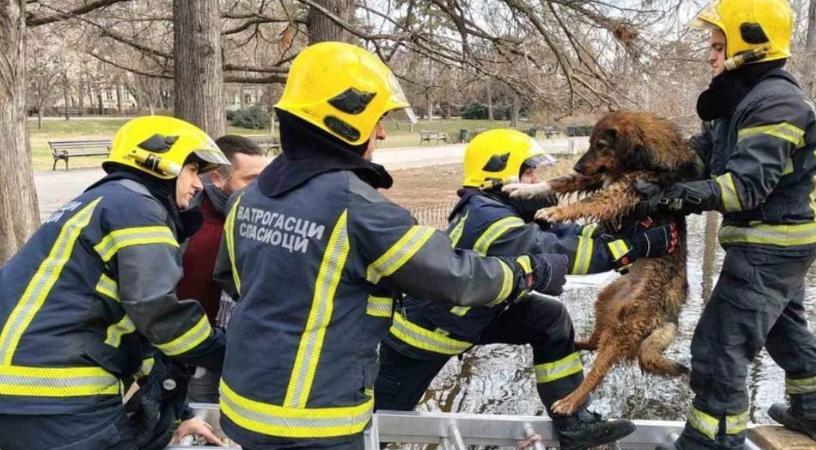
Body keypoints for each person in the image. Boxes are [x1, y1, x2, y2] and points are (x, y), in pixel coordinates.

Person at [214, 41, 574, 450]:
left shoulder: (249, 197)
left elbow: (233, 279)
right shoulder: (358, 207)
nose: (383, 132)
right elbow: (457, 280)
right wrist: (532, 271)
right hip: (313, 421)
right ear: (344, 120)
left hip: (243, 404)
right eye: (378, 118)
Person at [374, 129, 680, 450]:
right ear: (498, 170)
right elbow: (558, 252)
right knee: (381, 421)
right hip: (425, 337)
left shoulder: (506, 208)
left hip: (474, 314)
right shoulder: (489, 219)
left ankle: (571, 420)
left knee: (548, 319)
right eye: (529, 169)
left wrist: (618, 229)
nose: (536, 178)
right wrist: (634, 246)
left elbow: (565, 233)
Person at [632, 1, 816, 448]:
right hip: (784, 239)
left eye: (719, 47)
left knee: (718, 348)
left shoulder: (776, 103)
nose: (710, 55)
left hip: (772, 243)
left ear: (749, 44)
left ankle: (712, 440)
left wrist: (680, 196)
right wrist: (657, 172)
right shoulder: (740, 96)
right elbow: (704, 155)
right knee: (781, 325)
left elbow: (746, 187)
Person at [0, 116, 230, 450]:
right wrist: (230, 353)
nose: (199, 185)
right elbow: (160, 317)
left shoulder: (103, 202)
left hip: (25, 396)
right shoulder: (138, 209)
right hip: (59, 399)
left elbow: (141, 334)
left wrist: (180, 415)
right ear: (158, 158)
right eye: (193, 170)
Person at [177, 135, 267, 403]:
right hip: (196, 357)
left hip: (248, 353)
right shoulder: (187, 222)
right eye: (251, 179)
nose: (262, 187)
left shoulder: (263, 219)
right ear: (217, 178)